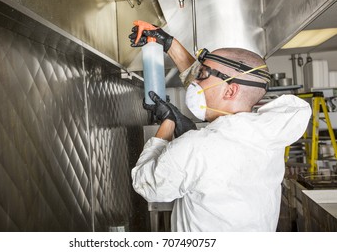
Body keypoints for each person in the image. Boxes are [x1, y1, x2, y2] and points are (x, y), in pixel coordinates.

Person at [129, 24, 311, 231]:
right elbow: (215, 86)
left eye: (202, 74)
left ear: (230, 92)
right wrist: (169, 43)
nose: (195, 82)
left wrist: (168, 122)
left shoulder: (198, 147)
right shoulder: (265, 135)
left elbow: (147, 184)